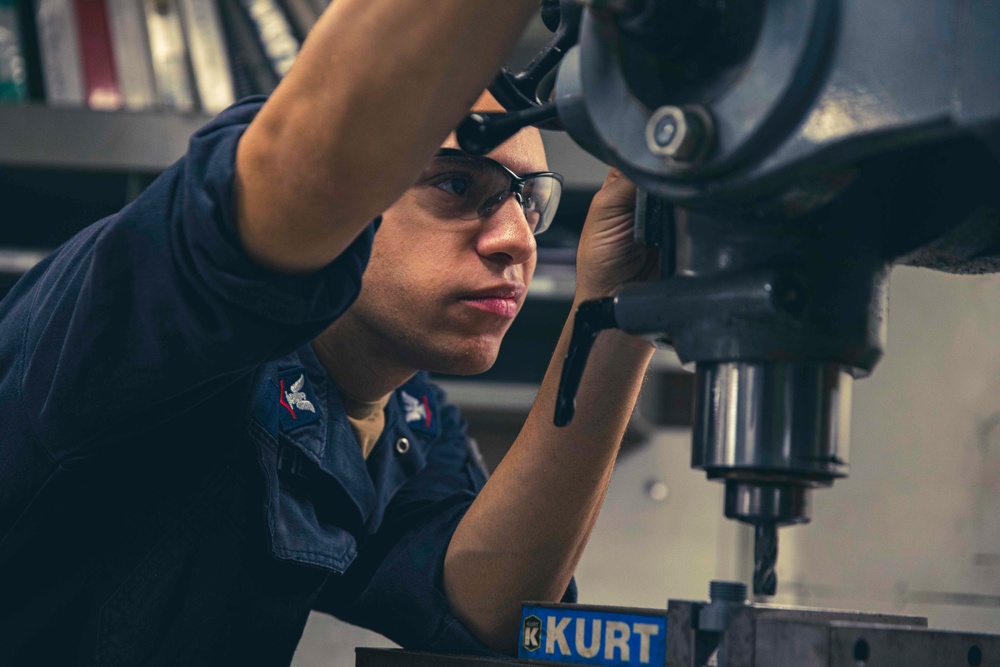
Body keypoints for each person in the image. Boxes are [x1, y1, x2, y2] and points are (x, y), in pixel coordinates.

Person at [0, 2, 657, 665]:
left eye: (529, 201)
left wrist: (618, 304)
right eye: (456, 183)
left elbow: (485, 608)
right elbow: (282, 183)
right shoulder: (162, 311)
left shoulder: (401, 413)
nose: (518, 239)